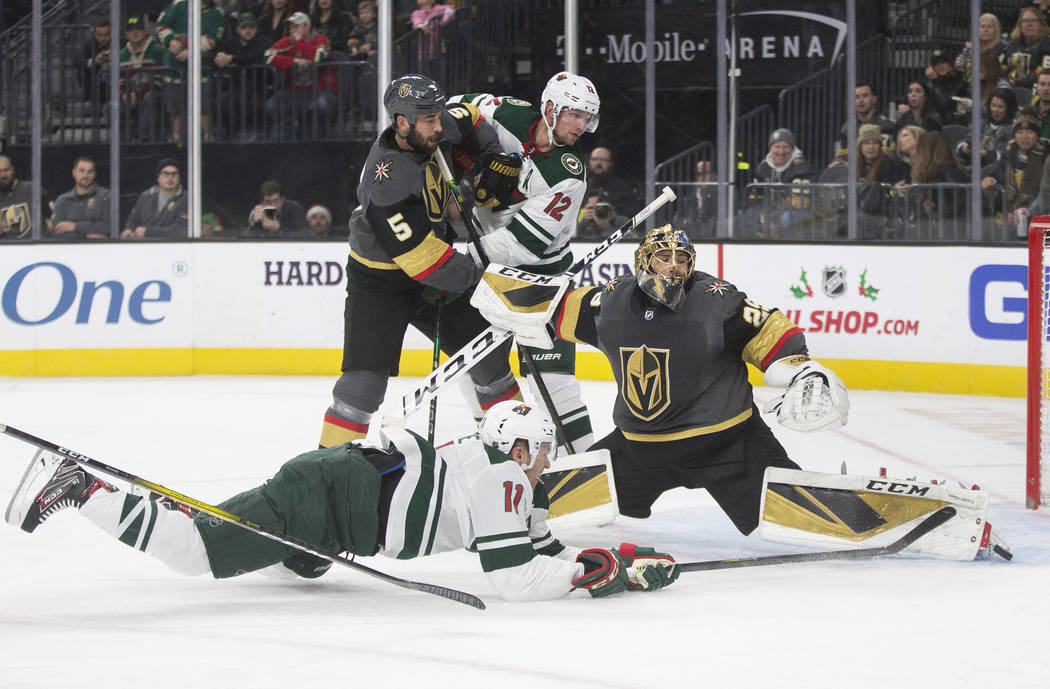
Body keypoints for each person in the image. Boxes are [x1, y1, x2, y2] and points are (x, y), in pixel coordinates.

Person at [4, 401, 680, 600]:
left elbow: (541, 547)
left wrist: (609, 556)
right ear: (521, 448)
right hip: (324, 500)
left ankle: (264, 539)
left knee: (258, 542)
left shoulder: (502, 472)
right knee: (196, 555)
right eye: (543, 450)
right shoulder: (502, 474)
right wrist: (594, 584)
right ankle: (84, 488)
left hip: (332, 494)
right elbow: (514, 578)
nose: (549, 462)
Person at [474, 225, 849, 535]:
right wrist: (490, 289)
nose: (673, 266)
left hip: (727, 446)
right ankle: (486, 513)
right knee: (547, 501)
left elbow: (771, 333)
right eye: (663, 257)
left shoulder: (717, 300)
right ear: (643, 261)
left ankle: (865, 513)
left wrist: (801, 368)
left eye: (682, 259)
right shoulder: (610, 303)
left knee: (807, 517)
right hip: (640, 449)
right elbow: (554, 306)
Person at [320, 74, 522, 447]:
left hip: (432, 271)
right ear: (401, 123)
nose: (438, 125)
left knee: (490, 360)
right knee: (362, 388)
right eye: (428, 120)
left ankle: (519, 454)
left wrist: (492, 157)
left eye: (438, 115)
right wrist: (487, 281)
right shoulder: (388, 180)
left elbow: (474, 118)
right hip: (381, 282)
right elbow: (423, 261)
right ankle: (327, 469)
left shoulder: (434, 124)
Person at [449, 71, 603, 452]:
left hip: (539, 279)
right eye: (575, 115)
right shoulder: (509, 113)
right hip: (489, 271)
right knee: (475, 367)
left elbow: (523, 245)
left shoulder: (569, 175)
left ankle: (581, 469)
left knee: (553, 384)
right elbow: (458, 109)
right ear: (550, 109)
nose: (582, 126)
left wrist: (459, 259)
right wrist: (446, 142)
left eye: (587, 118)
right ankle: (503, 452)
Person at [156, 0, 226, 142]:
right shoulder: (178, 4)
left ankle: (206, 137)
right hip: (175, 65)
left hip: (201, 66)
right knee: (175, 106)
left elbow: (213, 38)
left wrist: (191, 51)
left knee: (203, 105)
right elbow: (161, 24)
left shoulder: (216, 13)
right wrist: (171, 41)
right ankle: (175, 138)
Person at [264, 12, 337, 139]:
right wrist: (292, 61)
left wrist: (299, 42)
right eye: (290, 27)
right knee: (271, 105)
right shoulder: (287, 41)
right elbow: (267, 57)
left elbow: (320, 57)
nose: (292, 30)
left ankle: (322, 142)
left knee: (322, 104)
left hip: (320, 91)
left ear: (307, 27)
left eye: (296, 26)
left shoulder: (320, 39)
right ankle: (286, 142)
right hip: (294, 92)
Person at [982, 109, 1046, 231]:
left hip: (1038, 218)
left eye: (1030, 132)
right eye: (1020, 132)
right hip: (1009, 218)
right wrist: (988, 179)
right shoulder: (1009, 156)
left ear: (1037, 135)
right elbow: (995, 174)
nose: (1025, 137)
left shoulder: (1045, 158)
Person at [748, 127, 814, 238]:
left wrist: (772, 218)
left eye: (786, 147)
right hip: (771, 212)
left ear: (792, 149)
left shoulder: (801, 167)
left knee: (787, 218)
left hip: (799, 212)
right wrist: (765, 217)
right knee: (748, 215)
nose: (781, 152)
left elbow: (800, 204)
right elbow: (756, 200)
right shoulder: (762, 168)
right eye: (777, 147)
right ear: (770, 148)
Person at [213, 11, 270, 138]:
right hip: (236, 88)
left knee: (255, 106)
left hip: (258, 89)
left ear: (257, 28)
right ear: (238, 29)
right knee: (223, 102)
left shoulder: (264, 42)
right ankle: (231, 135)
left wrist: (232, 58)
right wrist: (220, 57)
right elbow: (217, 52)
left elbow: (255, 57)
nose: (248, 31)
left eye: (251, 27)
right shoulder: (230, 43)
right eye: (244, 27)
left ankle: (258, 137)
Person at [117, 16, 167, 142]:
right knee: (114, 105)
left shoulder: (157, 51)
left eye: (138, 29)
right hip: (131, 94)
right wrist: (124, 94)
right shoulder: (122, 55)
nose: (135, 33)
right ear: (126, 34)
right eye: (131, 30)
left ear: (145, 32)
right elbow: (119, 82)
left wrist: (136, 93)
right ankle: (123, 140)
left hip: (156, 93)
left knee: (149, 97)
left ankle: (145, 138)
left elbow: (158, 80)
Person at [121, 158, 189, 239]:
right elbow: (133, 219)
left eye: (174, 174)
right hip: (144, 247)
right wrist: (129, 230)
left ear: (179, 178)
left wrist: (147, 233)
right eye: (165, 174)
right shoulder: (146, 196)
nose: (170, 178)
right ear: (158, 178)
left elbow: (180, 231)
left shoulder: (187, 198)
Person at [50, 157, 111, 240]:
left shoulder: (106, 196)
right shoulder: (62, 200)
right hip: (69, 250)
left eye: (90, 172)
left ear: (94, 174)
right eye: (81, 171)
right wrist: (84, 237)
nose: (85, 175)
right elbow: (56, 232)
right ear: (74, 173)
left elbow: (108, 226)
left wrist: (74, 226)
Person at [834, 80, 896, 155]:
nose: (860, 100)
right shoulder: (847, 127)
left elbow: (883, 155)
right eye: (856, 97)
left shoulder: (886, 126)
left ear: (874, 99)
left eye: (865, 96)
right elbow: (842, 154)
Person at [0, 155, 47, 240]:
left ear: (13, 170)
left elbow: (50, 216)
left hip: (36, 248)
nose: (3, 175)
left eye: (6, 170)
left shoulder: (31, 189)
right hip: (7, 250)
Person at [1005, 7, 1050, 90]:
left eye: (1034, 20)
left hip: (1036, 90)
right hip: (1009, 89)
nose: (1030, 24)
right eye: (1026, 21)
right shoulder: (1011, 45)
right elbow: (1002, 69)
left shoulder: (1047, 44)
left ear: (1041, 24)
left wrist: (1017, 82)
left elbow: (1044, 72)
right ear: (1020, 25)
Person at [584, 146, 638, 216]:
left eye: (604, 160)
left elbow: (632, 217)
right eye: (595, 159)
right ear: (588, 162)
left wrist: (610, 217)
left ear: (611, 164)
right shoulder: (578, 185)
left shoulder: (622, 188)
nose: (599, 163)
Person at [671, 159, 717, 239]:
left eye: (705, 173)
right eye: (699, 174)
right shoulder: (688, 196)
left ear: (713, 175)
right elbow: (678, 219)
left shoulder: (719, 196)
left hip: (710, 237)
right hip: (691, 237)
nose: (702, 177)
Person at [924, 50, 967, 125]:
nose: (941, 66)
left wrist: (935, 81)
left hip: (954, 124)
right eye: (936, 64)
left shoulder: (958, 82)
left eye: (943, 62)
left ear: (949, 64)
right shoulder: (928, 85)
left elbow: (945, 104)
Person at [77, 19, 112, 102]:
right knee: (81, 70)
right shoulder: (89, 45)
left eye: (106, 35)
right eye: (99, 35)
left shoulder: (121, 43)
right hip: (97, 81)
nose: (102, 38)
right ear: (95, 35)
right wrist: (94, 61)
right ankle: (91, 99)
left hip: (118, 80)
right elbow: (76, 61)